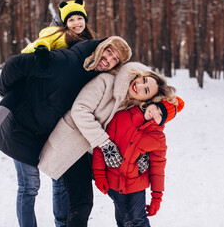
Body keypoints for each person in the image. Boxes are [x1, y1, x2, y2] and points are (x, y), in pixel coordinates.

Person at [0, 34, 131, 227]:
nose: (108, 60)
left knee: (59, 182)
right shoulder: (68, 61)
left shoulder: (97, 76)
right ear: (101, 48)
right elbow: (14, 64)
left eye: (115, 59)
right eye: (108, 52)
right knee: (29, 186)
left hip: (48, 133)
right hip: (23, 128)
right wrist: (4, 90)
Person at [38, 62, 176, 226]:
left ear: (148, 100)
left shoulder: (134, 108)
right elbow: (80, 110)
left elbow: (139, 138)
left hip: (98, 153)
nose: (139, 85)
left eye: (146, 90)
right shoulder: (106, 81)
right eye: (143, 80)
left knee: (122, 203)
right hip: (74, 145)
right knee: (80, 203)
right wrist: (105, 145)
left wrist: (142, 155)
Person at [0, 0, 95, 162]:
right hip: (34, 69)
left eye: (79, 18)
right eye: (71, 20)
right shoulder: (58, 33)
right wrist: (42, 50)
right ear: (65, 23)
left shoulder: (87, 40)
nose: (76, 23)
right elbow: (43, 40)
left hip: (50, 83)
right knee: (17, 94)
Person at [92, 96, 184, 226]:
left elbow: (158, 168)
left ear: (163, 121)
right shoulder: (122, 117)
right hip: (114, 180)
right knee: (124, 220)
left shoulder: (158, 139)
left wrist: (156, 197)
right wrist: (99, 174)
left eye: (161, 114)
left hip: (137, 184)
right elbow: (101, 145)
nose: (155, 113)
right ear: (151, 103)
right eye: (156, 107)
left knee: (138, 220)